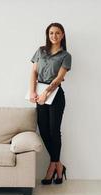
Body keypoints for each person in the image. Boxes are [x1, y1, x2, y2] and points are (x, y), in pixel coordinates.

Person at [29, 22, 72, 185]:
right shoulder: (40, 51)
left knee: (54, 130)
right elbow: (33, 72)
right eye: (51, 33)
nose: (54, 36)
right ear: (48, 35)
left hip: (55, 95)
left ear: (63, 35)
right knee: (44, 130)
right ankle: (58, 165)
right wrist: (33, 92)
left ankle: (51, 167)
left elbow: (59, 78)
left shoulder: (65, 55)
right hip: (39, 94)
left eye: (58, 33)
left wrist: (45, 93)